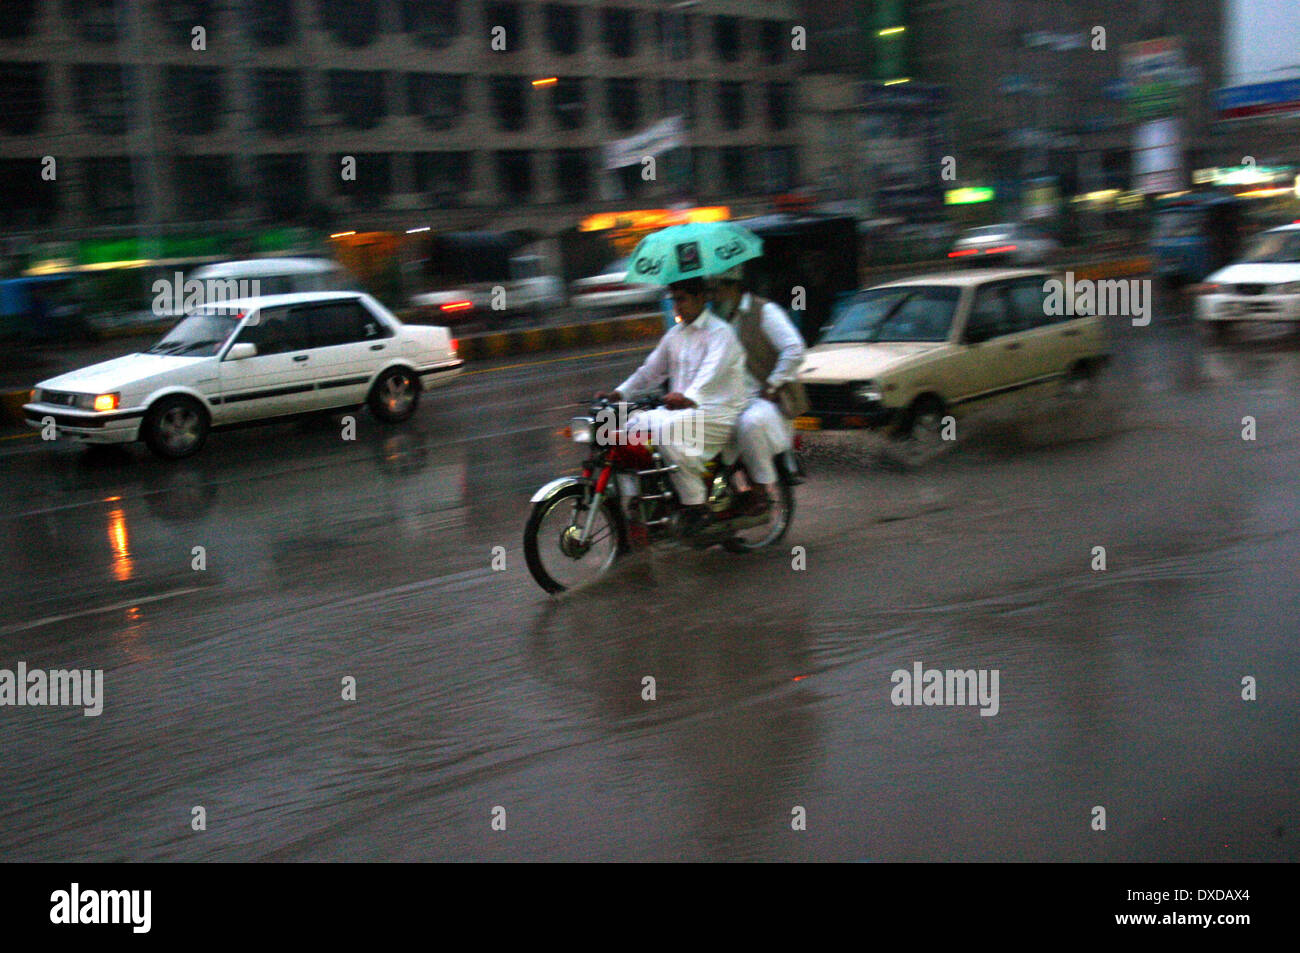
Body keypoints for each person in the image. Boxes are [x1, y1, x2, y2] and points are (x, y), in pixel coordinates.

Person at [599, 277, 749, 534]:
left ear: (702, 298)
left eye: (682, 299)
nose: (676, 306)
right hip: (680, 411)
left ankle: (695, 505)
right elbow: (649, 371)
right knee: (625, 428)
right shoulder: (675, 335)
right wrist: (619, 392)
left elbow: (709, 375)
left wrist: (688, 396)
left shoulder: (720, 333)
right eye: (673, 300)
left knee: (669, 432)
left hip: (716, 412)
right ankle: (643, 501)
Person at [709, 265, 808, 515]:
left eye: (718, 289)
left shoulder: (764, 311)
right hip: (730, 399)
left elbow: (794, 348)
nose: (714, 296)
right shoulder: (716, 321)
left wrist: (774, 384)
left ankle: (762, 488)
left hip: (767, 399)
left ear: (734, 287)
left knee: (750, 424)